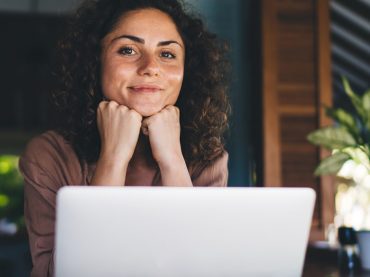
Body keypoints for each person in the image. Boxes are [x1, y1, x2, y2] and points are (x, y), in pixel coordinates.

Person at [19, 0, 230, 276]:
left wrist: (172, 160)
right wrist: (113, 158)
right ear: (95, 63)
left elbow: (203, 268)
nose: (150, 67)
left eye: (167, 54)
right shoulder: (49, 156)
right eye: (128, 50)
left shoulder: (208, 158)